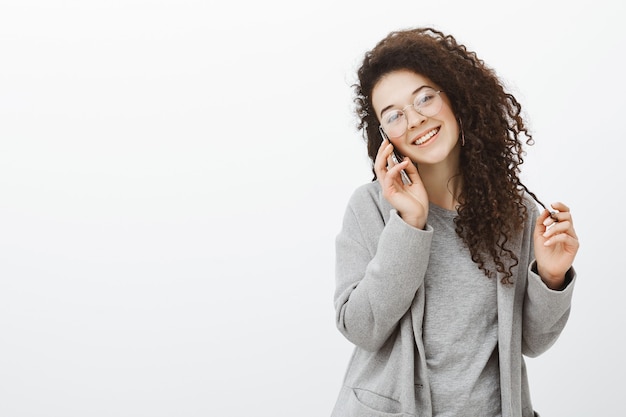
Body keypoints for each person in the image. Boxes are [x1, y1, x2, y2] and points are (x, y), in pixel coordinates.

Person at [331, 27, 579, 417]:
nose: (414, 120)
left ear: (457, 97)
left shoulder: (514, 211)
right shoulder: (370, 208)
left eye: (425, 97)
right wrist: (410, 223)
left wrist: (550, 278)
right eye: (394, 115)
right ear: (384, 137)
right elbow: (361, 328)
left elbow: (532, 342)